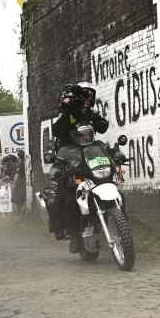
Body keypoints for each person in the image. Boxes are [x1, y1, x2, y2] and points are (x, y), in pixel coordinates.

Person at [46, 82, 109, 252]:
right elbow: (57, 130)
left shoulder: (89, 114)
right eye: (85, 94)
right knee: (69, 198)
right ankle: (74, 236)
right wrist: (70, 112)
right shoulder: (67, 115)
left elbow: (103, 127)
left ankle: (115, 221)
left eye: (90, 94)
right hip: (69, 159)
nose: (88, 98)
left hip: (90, 153)